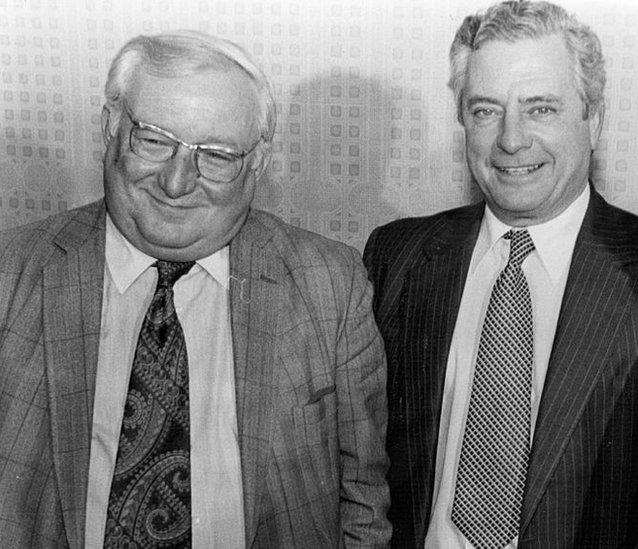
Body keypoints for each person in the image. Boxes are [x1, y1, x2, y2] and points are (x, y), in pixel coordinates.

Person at [0, 31, 391, 547]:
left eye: (217, 155)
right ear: (109, 128)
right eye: (155, 140)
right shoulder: (12, 274)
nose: (178, 182)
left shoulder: (331, 284)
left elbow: (362, 501)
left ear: (257, 163)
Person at [363, 1, 638, 546]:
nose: (511, 140)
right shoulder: (398, 255)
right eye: (486, 110)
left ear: (594, 119)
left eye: (541, 109)